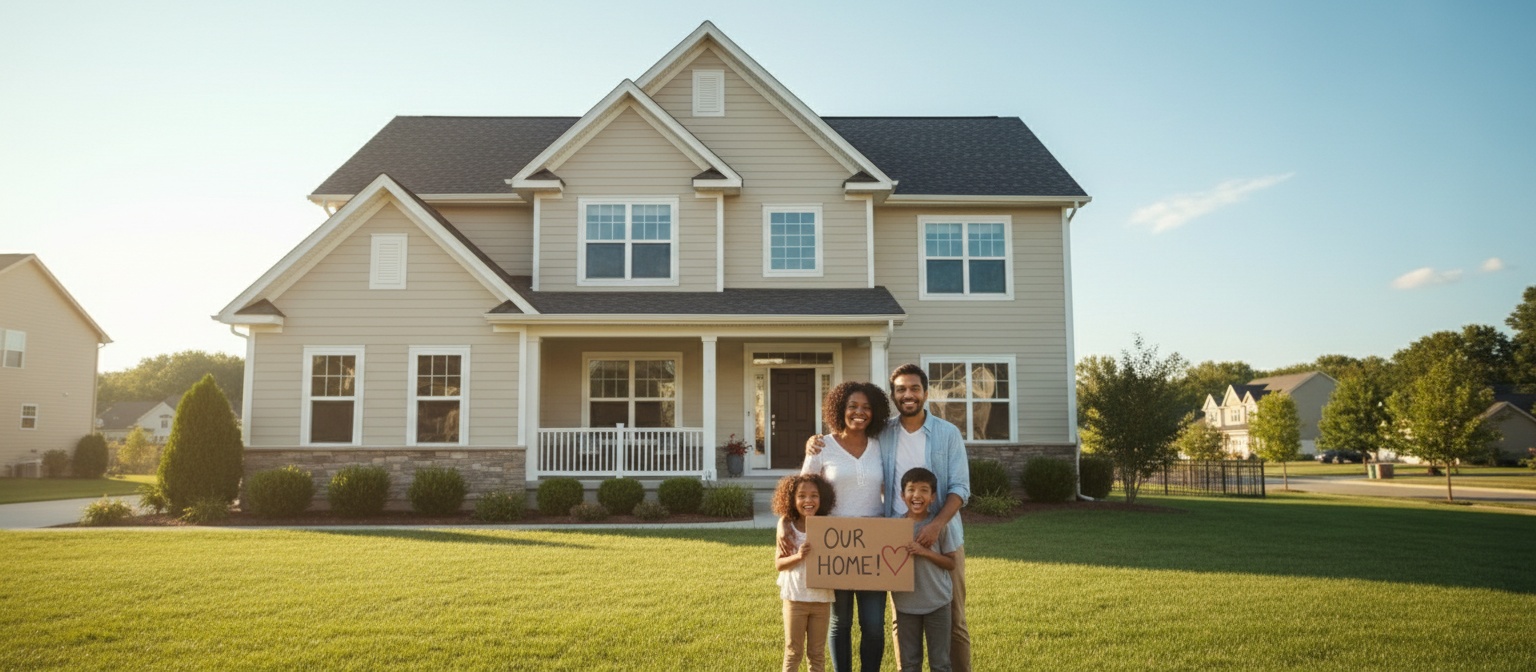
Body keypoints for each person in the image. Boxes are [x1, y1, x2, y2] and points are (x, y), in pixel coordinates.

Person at [808, 363, 972, 671]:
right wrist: (814, 441)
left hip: (943, 534)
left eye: (914, 388)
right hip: (892, 537)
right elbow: (847, 439)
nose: (908, 395)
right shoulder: (884, 432)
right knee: (901, 619)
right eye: (900, 389)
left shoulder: (948, 433)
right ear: (894, 395)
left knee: (953, 618)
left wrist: (936, 526)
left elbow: (961, 488)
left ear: (925, 392)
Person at [800, 381, 892, 672]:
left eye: (866, 407)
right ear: (840, 409)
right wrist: (791, 529)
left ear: (874, 412)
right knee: (841, 623)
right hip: (835, 545)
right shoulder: (822, 447)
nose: (859, 413)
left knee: (874, 624)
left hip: (874, 547)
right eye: (853, 406)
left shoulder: (881, 446)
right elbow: (802, 494)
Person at [892, 467, 957, 672]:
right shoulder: (894, 526)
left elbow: (951, 563)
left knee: (940, 663)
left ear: (932, 497)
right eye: (911, 490)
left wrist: (924, 551)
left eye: (924, 490)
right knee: (910, 663)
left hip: (937, 603)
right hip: (905, 606)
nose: (917, 495)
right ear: (903, 496)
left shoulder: (939, 526)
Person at [774, 473, 837, 672]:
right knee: (794, 651)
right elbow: (779, 564)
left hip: (821, 599)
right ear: (792, 500)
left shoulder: (828, 526)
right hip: (795, 599)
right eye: (802, 496)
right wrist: (799, 557)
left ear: (822, 498)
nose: (808, 500)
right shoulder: (788, 529)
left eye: (814, 495)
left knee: (817, 653)